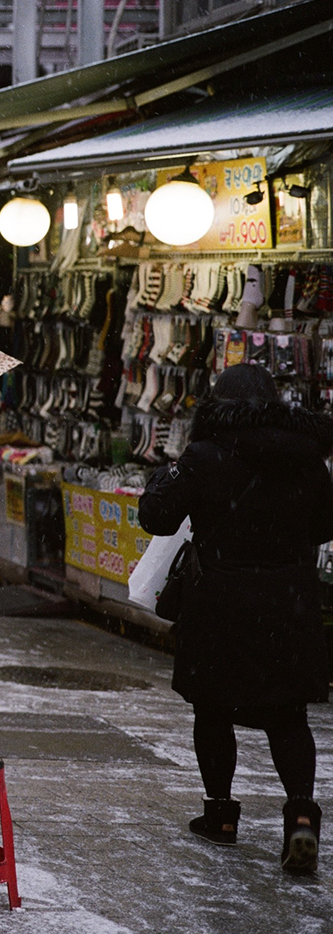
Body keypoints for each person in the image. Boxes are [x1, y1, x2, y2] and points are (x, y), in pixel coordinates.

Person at [138, 364, 328, 875]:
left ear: (218, 406)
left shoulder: (205, 455)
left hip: (220, 599)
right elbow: (327, 524)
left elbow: (155, 516)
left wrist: (167, 476)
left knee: (214, 707)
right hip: (288, 600)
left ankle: (221, 816)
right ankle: (302, 818)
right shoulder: (308, 456)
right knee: (288, 715)